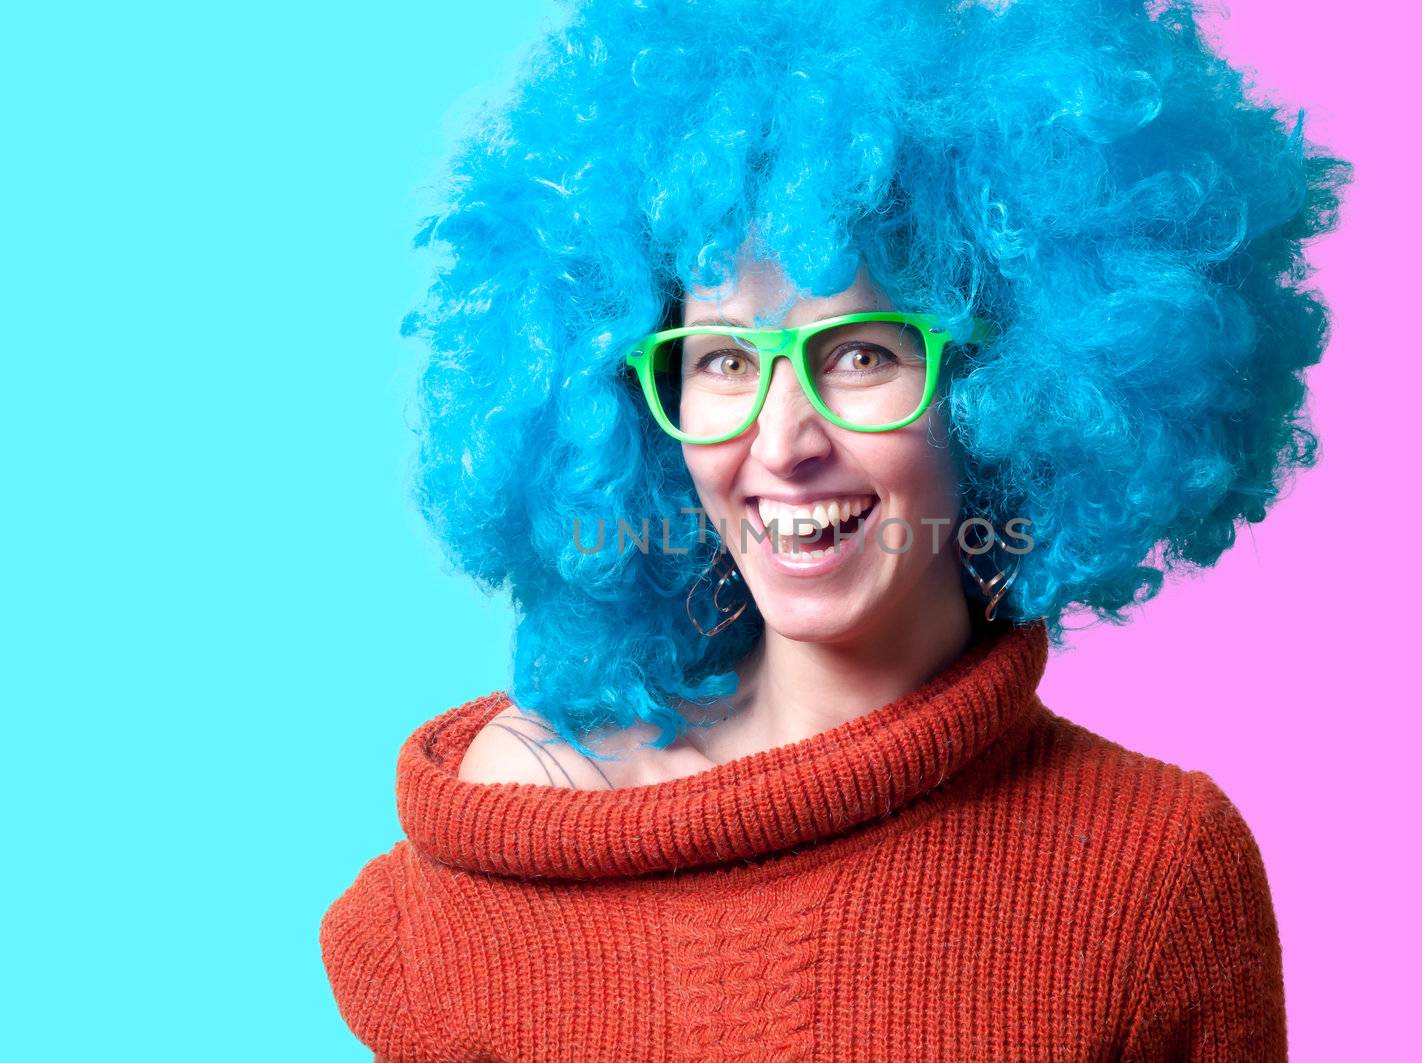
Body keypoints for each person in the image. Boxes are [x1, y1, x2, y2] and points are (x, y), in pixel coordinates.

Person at [321, 0, 1350, 1059]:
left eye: (860, 354)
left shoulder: (1150, 877)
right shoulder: (533, 817)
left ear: (1000, 392)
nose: (783, 440)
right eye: (721, 359)